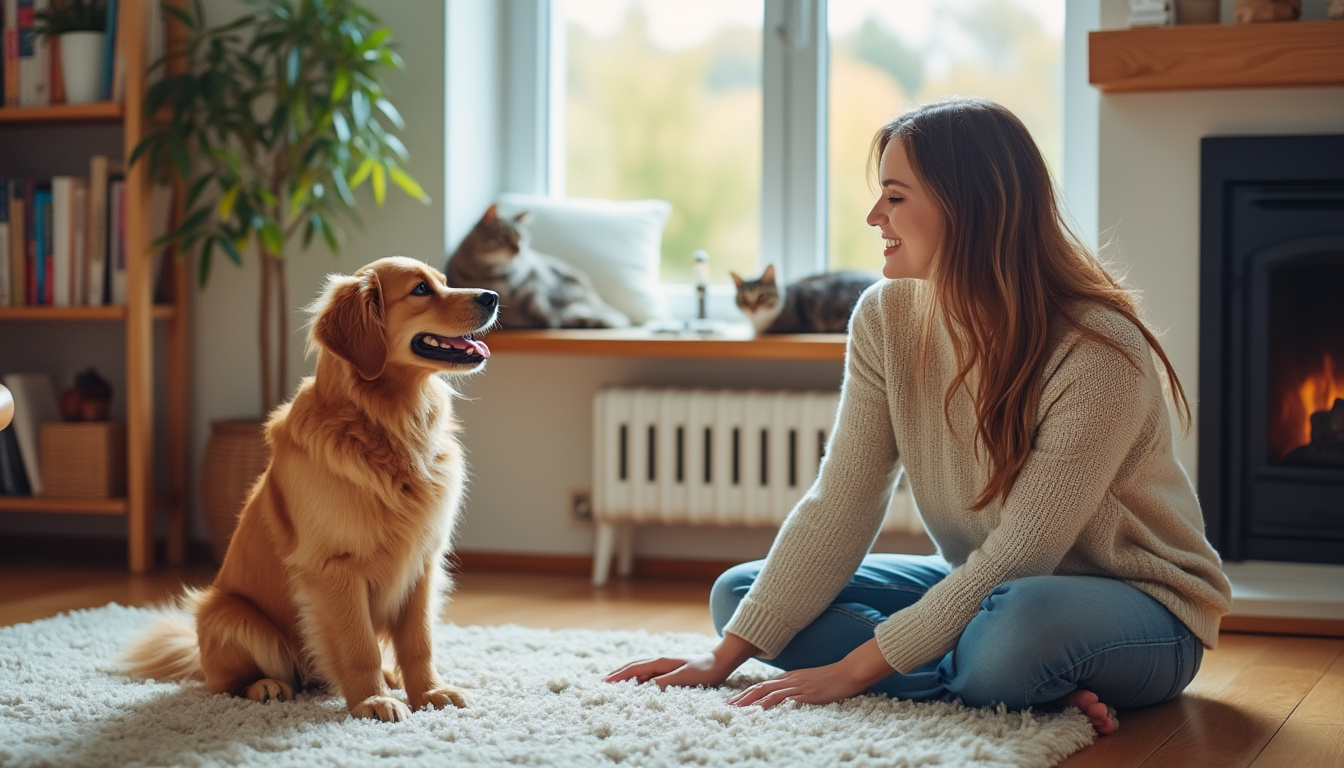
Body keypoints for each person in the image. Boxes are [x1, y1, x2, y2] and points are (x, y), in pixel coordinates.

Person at [604, 97, 1232, 736]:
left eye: (896, 197)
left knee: (1016, 630)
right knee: (742, 596)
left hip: (1136, 605)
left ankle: (1008, 674)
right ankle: (1011, 686)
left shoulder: (1098, 347)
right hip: (983, 584)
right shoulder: (885, 317)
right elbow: (840, 502)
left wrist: (851, 674)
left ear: (971, 208)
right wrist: (722, 657)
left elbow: (1022, 552)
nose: (875, 216)